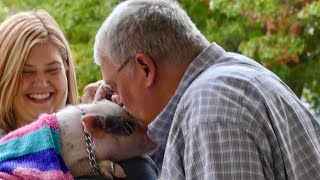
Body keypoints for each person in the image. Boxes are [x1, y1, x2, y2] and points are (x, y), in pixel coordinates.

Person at [87, 0, 320, 179]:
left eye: (114, 87)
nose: (117, 100)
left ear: (145, 68)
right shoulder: (235, 77)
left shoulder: (209, 111)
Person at [0, 10, 157, 180]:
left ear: (67, 73)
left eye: (53, 69)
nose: (42, 82)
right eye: (26, 72)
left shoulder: (127, 161)